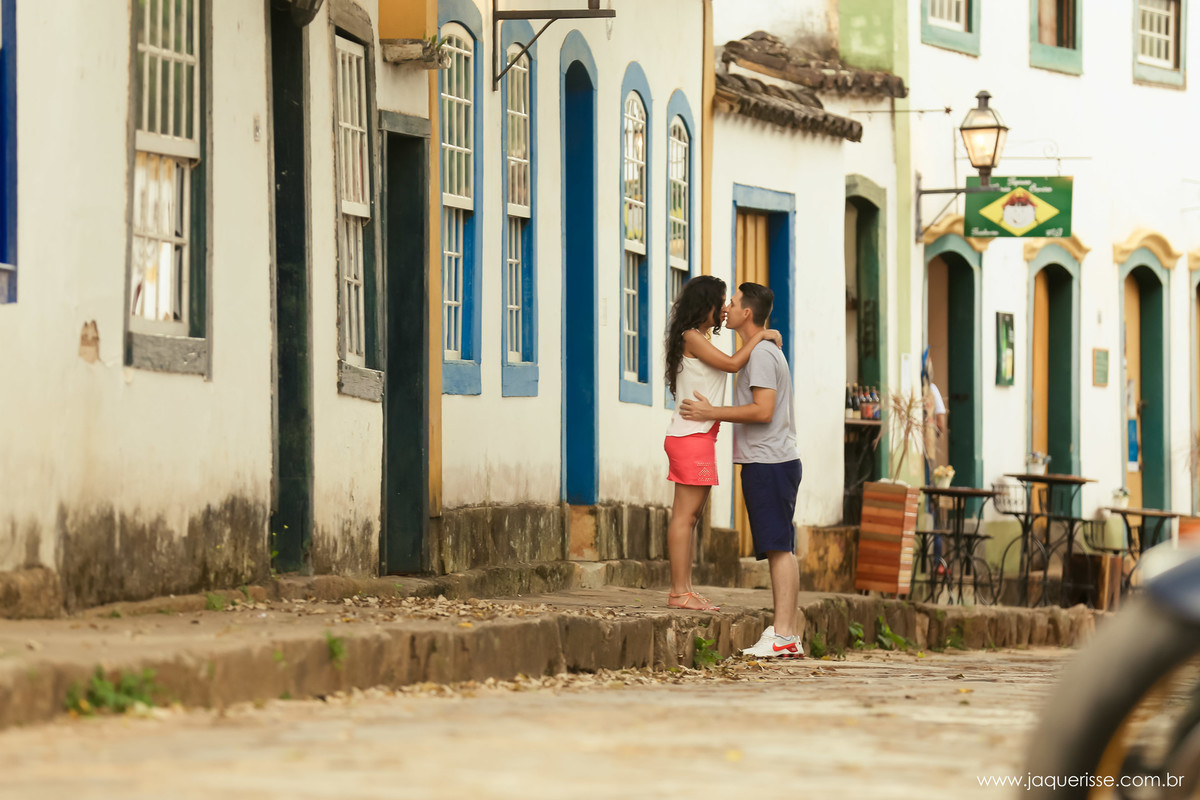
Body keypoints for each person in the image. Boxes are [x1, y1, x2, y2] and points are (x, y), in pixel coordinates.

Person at [679, 283, 804, 658]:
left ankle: (783, 633)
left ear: (746, 313)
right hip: (771, 460)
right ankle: (788, 633)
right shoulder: (760, 350)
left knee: (779, 548)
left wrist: (709, 412)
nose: (726, 309)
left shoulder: (762, 355)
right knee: (780, 547)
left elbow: (762, 410)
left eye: (732, 303)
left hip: (769, 461)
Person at [663, 275, 781, 612]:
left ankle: (684, 589)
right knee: (685, 517)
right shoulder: (691, 337)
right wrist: (761, 334)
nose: (725, 309)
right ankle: (678, 593)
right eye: (722, 302)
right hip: (690, 436)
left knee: (692, 517)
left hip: (698, 436)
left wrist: (758, 335)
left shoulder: (698, 337)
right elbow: (732, 365)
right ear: (707, 305)